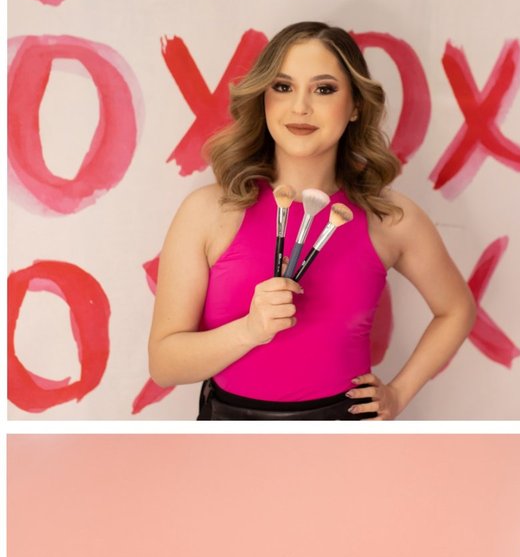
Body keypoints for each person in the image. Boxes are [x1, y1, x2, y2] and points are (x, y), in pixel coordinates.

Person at [148, 23, 475, 419]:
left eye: (324, 89)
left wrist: (399, 393)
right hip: (229, 434)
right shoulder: (208, 211)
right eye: (283, 87)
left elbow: (457, 309)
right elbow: (164, 364)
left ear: (355, 105)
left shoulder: (389, 218)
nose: (300, 107)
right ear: (263, 98)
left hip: (344, 440)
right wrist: (249, 331)